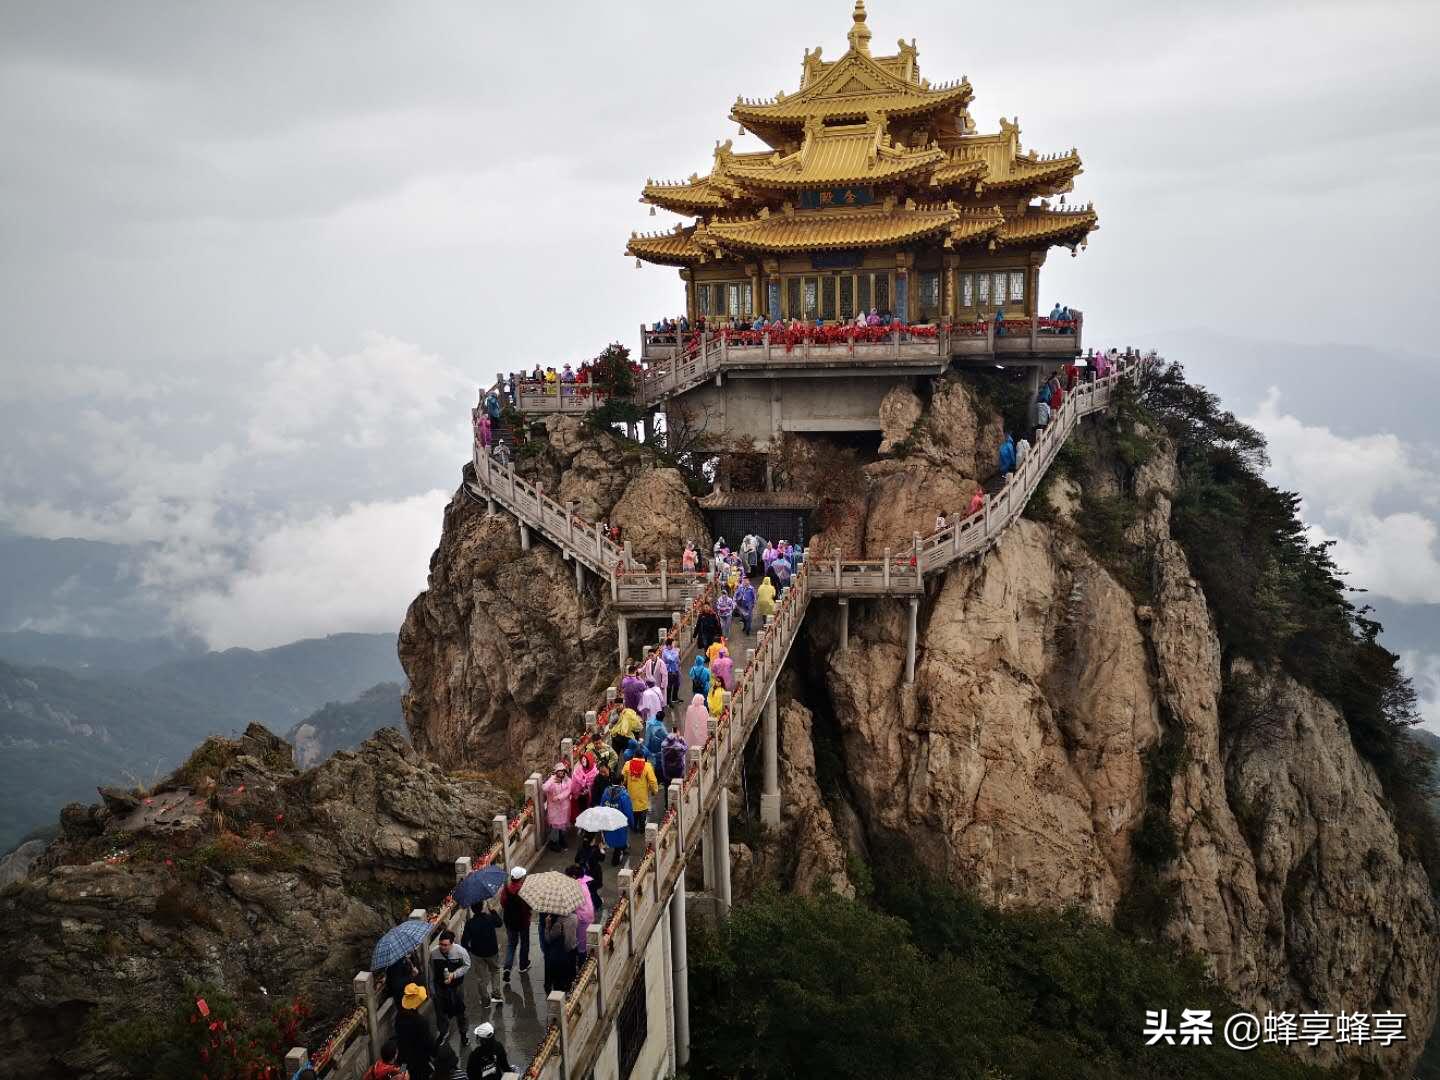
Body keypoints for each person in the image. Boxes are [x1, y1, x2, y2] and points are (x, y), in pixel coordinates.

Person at [430, 929, 471, 1045]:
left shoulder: (460, 952)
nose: (442, 947)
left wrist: (454, 974)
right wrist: (432, 990)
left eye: (445, 945)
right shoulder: (434, 954)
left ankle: (463, 1033)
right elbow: (431, 972)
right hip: (440, 988)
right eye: (441, 944)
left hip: (456, 987)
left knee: (460, 1011)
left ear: (452, 943)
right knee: (440, 1012)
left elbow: (467, 966)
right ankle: (443, 1032)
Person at [461, 902, 504, 1006]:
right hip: (492, 951)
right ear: (482, 907)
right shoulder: (489, 918)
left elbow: (464, 942)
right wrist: (492, 910)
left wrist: (471, 949)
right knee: (495, 971)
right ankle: (496, 995)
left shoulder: (470, 923)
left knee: (481, 977)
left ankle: (485, 1000)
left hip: (478, 953)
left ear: (472, 909)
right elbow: (499, 923)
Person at [396, 984, 435, 1080]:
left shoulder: (399, 1017)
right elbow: (428, 1043)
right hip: (419, 1062)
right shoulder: (420, 1022)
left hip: (403, 1062)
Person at [499, 866, 532, 981]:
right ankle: (523, 965)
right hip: (523, 921)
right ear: (521, 878)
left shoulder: (506, 889)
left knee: (511, 944)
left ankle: (507, 967)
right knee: (524, 943)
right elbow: (529, 905)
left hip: (509, 921)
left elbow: (502, 903)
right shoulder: (524, 889)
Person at [600, 780, 634, 866]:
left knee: (612, 838)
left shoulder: (605, 794)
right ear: (622, 783)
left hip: (608, 822)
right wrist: (631, 823)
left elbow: (601, 808)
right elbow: (628, 812)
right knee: (619, 842)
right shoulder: (624, 796)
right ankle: (616, 860)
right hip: (620, 824)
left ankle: (622, 848)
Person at [623, 752, 658, 831]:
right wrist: (654, 791)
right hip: (642, 796)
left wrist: (625, 786)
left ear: (634, 756)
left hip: (631, 795)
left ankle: (634, 828)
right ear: (643, 757)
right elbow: (653, 781)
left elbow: (623, 779)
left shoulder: (627, 764)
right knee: (642, 814)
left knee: (632, 813)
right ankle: (642, 829)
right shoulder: (647, 766)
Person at [542, 763, 574, 852]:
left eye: (562, 771)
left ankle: (561, 840)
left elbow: (569, 790)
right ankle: (554, 843)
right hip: (554, 807)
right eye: (559, 771)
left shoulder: (567, 780)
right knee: (555, 826)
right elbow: (544, 788)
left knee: (562, 825)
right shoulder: (552, 780)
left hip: (564, 807)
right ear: (556, 772)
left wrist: (559, 797)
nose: (561, 773)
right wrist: (552, 780)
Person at [661, 637, 681, 705]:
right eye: (673, 643)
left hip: (676, 669)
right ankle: (668, 701)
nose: (674, 644)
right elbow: (671, 659)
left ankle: (674, 698)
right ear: (669, 645)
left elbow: (677, 660)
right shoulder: (665, 651)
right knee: (669, 686)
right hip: (669, 671)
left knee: (677, 684)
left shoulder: (674, 650)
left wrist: (678, 664)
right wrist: (676, 652)